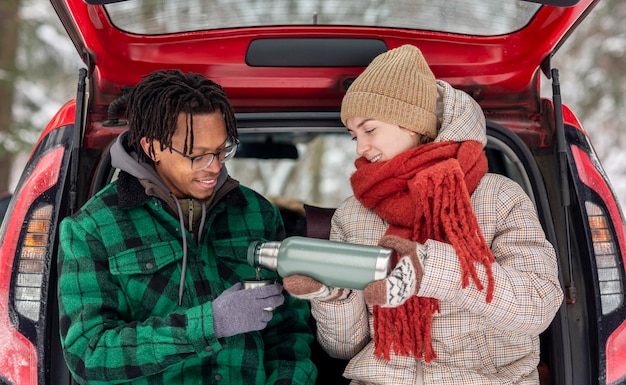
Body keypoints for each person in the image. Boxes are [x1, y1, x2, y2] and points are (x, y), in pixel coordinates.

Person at [283, 45, 564, 384]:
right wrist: (331, 296)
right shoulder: (352, 215)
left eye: (369, 129)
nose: (359, 148)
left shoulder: (497, 197)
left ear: (413, 124)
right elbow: (345, 348)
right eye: (353, 135)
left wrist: (430, 269)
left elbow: (538, 306)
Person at [57, 70, 317, 385]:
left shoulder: (258, 214)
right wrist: (210, 324)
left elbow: (289, 332)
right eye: (197, 156)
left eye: (222, 150)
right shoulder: (92, 228)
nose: (216, 166)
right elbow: (88, 355)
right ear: (152, 148)